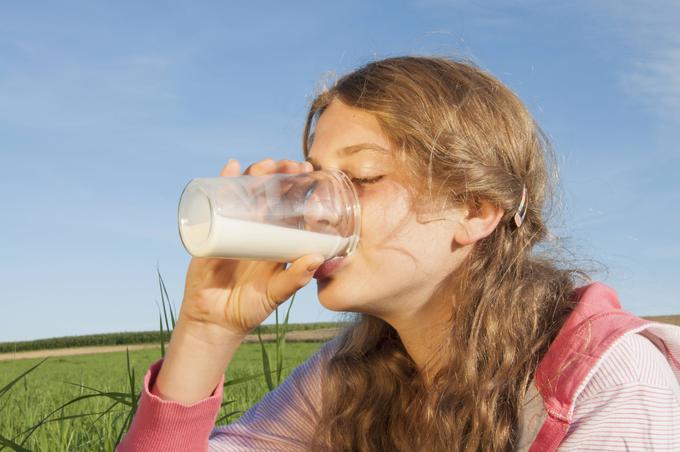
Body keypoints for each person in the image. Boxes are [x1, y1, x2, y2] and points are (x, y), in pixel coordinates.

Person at [117, 56, 680, 451]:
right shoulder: (353, 374)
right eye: (315, 180)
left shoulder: (611, 384)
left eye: (360, 177)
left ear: (476, 210)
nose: (315, 209)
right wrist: (205, 332)